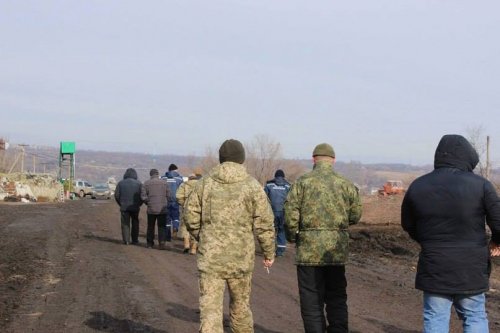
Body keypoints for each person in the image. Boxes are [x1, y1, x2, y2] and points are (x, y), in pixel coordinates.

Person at [401, 134, 500, 332]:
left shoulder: (418, 186)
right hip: (471, 267)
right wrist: (495, 242)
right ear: (467, 157)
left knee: (435, 317)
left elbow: (408, 224)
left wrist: (428, 241)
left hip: (435, 264)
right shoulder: (481, 185)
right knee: (474, 315)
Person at [184, 139, 275, 333]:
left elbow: (190, 215)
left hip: (211, 259)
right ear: (241, 159)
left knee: (210, 312)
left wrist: (204, 237)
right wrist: (269, 253)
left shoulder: (204, 184)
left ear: (221, 158)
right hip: (240, 259)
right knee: (240, 310)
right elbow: (265, 223)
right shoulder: (252, 186)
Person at [284, 143, 362, 333]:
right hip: (336, 251)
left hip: (308, 251)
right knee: (336, 296)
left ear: (314, 159)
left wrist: (292, 236)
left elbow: (290, 214)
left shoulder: (302, 183)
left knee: (311, 298)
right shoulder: (346, 184)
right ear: (333, 160)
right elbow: (355, 214)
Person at [141, 168, 170, 250]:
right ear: (158, 174)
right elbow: (169, 195)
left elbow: (143, 196)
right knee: (162, 226)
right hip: (162, 209)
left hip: (151, 209)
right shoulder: (165, 183)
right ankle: (162, 243)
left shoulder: (146, 183)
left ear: (150, 174)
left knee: (150, 226)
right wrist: (165, 203)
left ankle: (150, 243)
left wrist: (148, 202)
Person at [264, 169, 291, 257]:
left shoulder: (269, 185)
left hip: (271, 212)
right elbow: (291, 200)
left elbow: (263, 198)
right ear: (283, 177)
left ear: (275, 176)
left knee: (270, 231)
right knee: (281, 230)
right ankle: (280, 251)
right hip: (284, 213)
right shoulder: (288, 186)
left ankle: (269, 251)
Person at [114, 168, 142, 245]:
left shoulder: (120, 183)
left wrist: (121, 203)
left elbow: (116, 195)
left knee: (125, 223)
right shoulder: (139, 184)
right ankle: (135, 240)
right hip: (135, 207)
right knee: (135, 223)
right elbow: (142, 196)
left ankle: (126, 240)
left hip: (124, 207)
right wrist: (139, 204)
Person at [176, 172, 202, 254]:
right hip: (198, 210)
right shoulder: (201, 185)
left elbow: (178, 196)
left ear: (189, 178)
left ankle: (186, 244)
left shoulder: (184, 185)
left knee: (185, 227)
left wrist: (183, 204)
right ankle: (194, 248)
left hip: (186, 209)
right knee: (197, 228)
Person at [164, 163, 183, 240]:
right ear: (175, 170)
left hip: (166, 201)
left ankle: (167, 235)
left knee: (167, 219)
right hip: (175, 201)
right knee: (175, 217)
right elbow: (182, 190)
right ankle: (175, 228)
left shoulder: (163, 178)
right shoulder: (179, 179)